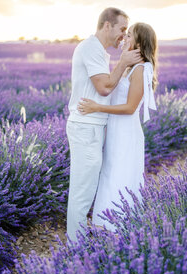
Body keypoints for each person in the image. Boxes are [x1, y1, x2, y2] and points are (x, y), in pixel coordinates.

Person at [66, 7, 142, 242]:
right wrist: (123, 62)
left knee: (87, 187)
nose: (123, 35)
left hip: (92, 126)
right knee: (83, 189)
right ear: (107, 25)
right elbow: (104, 87)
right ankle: (75, 245)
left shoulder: (98, 51)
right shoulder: (91, 49)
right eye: (121, 29)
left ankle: (77, 239)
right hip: (86, 126)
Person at [78, 22, 158, 232]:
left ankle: (119, 231)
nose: (124, 38)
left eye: (129, 35)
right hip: (115, 132)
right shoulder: (128, 68)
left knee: (120, 178)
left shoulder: (140, 69)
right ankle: (106, 227)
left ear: (139, 43)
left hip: (126, 133)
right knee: (110, 175)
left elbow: (131, 107)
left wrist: (96, 108)